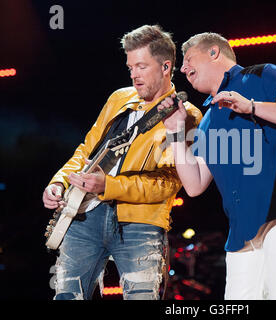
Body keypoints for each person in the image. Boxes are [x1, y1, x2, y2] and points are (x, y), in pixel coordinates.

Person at [159, 32, 276, 299]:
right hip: (243, 229)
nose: (183, 68)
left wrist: (252, 106)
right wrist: (175, 132)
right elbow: (195, 183)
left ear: (214, 53)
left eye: (188, 59)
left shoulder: (263, 74)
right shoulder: (210, 118)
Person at [42, 25, 202, 300]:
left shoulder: (185, 114)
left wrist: (109, 185)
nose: (133, 74)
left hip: (140, 223)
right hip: (85, 214)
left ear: (166, 67)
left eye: (141, 66)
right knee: (66, 296)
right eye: (130, 67)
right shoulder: (119, 98)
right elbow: (86, 151)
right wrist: (59, 181)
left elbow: (167, 183)